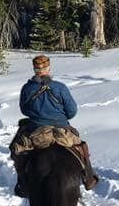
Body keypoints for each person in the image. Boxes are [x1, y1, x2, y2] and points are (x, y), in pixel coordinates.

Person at [10, 54, 98, 196]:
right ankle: (88, 177)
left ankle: (23, 183)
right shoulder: (60, 87)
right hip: (61, 128)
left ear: (35, 69)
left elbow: (24, 110)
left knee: (17, 150)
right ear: (48, 68)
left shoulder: (27, 88)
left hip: (36, 129)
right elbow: (72, 111)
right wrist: (59, 118)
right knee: (81, 146)